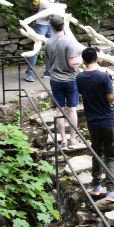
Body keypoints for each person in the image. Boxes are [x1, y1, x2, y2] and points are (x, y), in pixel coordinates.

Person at [76, 48, 114, 202]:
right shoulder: (103, 76)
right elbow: (110, 98)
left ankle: (96, 187)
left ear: (83, 61)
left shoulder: (80, 77)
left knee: (97, 153)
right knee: (111, 156)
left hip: (92, 122)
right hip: (108, 121)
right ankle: (110, 191)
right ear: (97, 58)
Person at [43, 15, 82, 148]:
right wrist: (81, 59)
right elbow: (72, 63)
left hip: (55, 80)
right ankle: (73, 139)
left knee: (59, 110)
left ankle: (63, 141)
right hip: (70, 80)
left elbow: (48, 60)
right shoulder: (69, 41)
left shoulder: (47, 42)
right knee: (72, 109)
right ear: (63, 26)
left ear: (52, 27)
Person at [26, 0, 58, 82]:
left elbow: (58, 7)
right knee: (36, 50)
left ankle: (48, 72)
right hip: (40, 25)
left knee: (51, 50)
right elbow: (32, 9)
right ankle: (29, 73)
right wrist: (35, 5)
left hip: (51, 25)